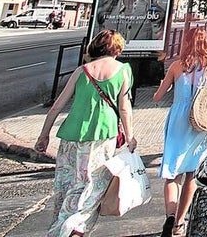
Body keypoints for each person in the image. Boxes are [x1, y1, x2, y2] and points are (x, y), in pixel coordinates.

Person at [36, 29, 136, 237]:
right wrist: (129, 136)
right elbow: (124, 107)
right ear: (117, 49)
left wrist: (44, 135)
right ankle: (74, 229)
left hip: (71, 134)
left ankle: (60, 228)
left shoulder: (82, 71)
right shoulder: (123, 70)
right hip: (102, 136)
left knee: (66, 186)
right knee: (93, 186)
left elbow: (57, 106)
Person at [153, 28, 207, 237]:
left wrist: (164, 85)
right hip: (200, 120)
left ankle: (170, 215)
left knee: (173, 173)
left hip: (178, 120)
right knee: (191, 172)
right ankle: (179, 222)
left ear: (185, 43)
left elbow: (157, 97)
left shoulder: (176, 66)